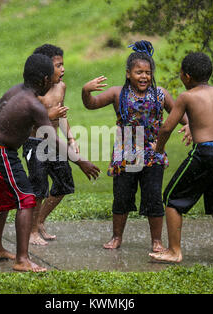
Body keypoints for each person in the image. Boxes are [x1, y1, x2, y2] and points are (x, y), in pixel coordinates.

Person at [0, 54, 100, 272]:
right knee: (26, 199)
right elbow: (51, 138)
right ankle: (22, 260)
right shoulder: (33, 105)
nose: (55, 78)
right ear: (44, 80)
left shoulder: (17, 89)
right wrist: (81, 162)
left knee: (4, 198)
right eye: (52, 75)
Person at [81, 40, 191, 252]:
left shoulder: (160, 94)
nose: (144, 76)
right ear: (128, 73)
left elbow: (182, 116)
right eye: (139, 72)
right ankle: (116, 237)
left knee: (153, 197)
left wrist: (190, 127)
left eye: (148, 72)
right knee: (121, 197)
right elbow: (91, 104)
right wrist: (86, 91)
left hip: (153, 153)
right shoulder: (117, 93)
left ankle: (156, 241)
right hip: (125, 155)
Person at [0, 44, 77, 246]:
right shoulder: (32, 96)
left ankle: (23, 231)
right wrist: (82, 161)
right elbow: (36, 120)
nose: (62, 70)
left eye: (62, 65)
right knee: (31, 194)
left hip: (40, 144)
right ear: (44, 74)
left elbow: (60, 116)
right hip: (26, 145)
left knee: (61, 184)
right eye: (57, 66)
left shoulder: (54, 87)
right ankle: (27, 245)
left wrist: (71, 138)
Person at [149, 52, 213, 265]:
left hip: (205, 153)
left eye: (181, 74)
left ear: (187, 76)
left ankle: (174, 251)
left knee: (172, 199)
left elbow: (166, 127)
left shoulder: (187, 96)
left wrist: (159, 148)